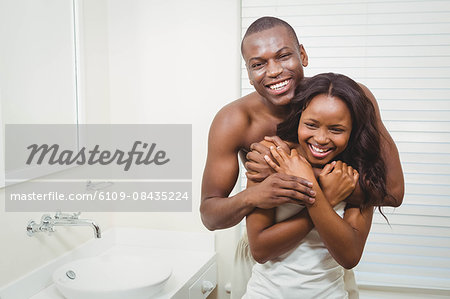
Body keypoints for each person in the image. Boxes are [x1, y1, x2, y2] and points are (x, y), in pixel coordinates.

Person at [200, 16, 404, 298]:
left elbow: (392, 192)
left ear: (303, 55)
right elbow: (211, 215)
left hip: (327, 257)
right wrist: (256, 195)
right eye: (258, 64)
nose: (273, 71)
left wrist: (302, 175)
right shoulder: (235, 121)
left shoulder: (347, 101)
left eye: (283, 56)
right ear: (248, 73)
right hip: (267, 262)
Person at [243, 72, 392, 298]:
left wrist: (311, 184)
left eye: (336, 129)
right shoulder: (272, 157)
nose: (321, 139)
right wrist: (325, 198)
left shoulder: (356, 173)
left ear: (353, 131)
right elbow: (261, 249)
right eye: (311, 125)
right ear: (299, 118)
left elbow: (350, 256)